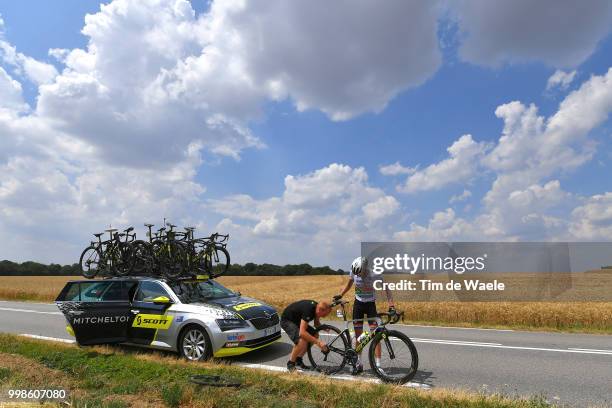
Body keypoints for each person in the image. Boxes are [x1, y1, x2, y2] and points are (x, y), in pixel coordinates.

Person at [334, 256, 395, 374]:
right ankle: (358, 363)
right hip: (358, 305)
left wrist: (391, 305)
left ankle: (378, 366)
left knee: (377, 335)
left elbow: (387, 289)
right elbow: (349, 283)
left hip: (370, 305)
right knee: (359, 336)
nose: (359, 276)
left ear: (365, 268)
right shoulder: (354, 271)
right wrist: (341, 294)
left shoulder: (375, 274)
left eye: (361, 274)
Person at [281, 299, 332, 371]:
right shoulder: (309, 311)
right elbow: (302, 333)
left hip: (297, 321)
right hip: (287, 320)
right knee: (301, 340)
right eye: (324, 315)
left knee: (315, 335)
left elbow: (316, 324)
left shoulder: (317, 308)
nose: (324, 316)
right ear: (320, 310)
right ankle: (291, 363)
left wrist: (323, 327)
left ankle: (298, 359)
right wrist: (319, 343)